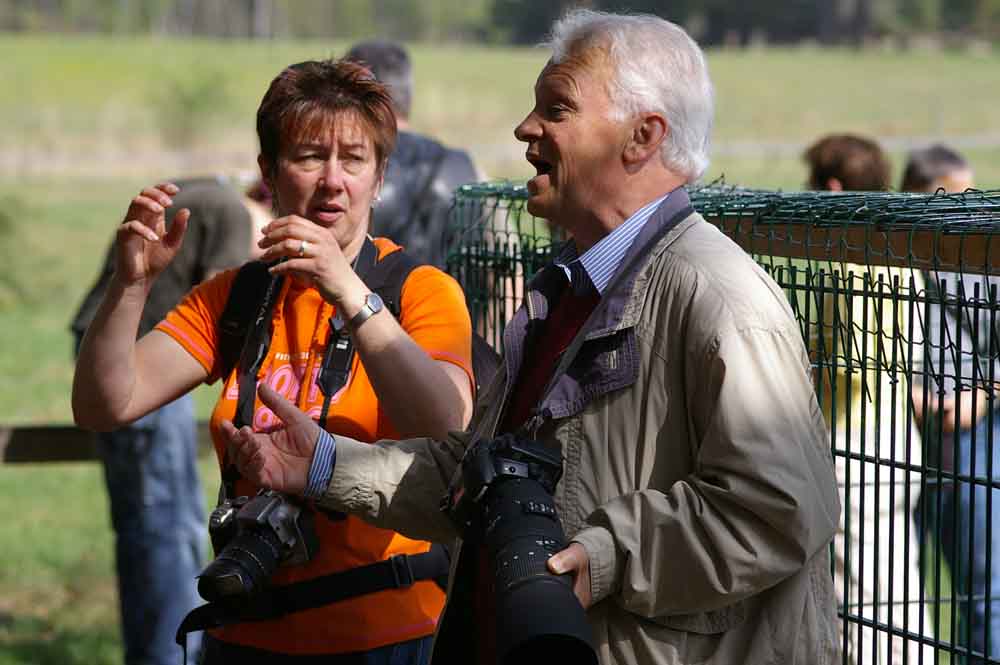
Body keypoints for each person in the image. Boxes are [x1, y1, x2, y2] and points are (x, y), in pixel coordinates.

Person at [225, 10, 842, 665]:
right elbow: (479, 480)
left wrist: (603, 556)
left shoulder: (719, 295)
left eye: (557, 108)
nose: (526, 128)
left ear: (642, 136)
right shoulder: (568, 291)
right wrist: (322, 463)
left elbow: (776, 507)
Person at [72, 60, 475, 664]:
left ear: (379, 176)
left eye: (354, 159)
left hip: (386, 639)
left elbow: (447, 426)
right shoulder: (238, 295)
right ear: (269, 174)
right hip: (243, 635)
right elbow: (105, 404)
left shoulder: (420, 290)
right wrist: (129, 287)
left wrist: (349, 294)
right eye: (310, 156)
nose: (333, 181)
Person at [69, 174, 263, 665]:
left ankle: (152, 651)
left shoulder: (204, 194)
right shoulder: (232, 213)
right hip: (144, 357)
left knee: (143, 523)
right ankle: (173, 656)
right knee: (170, 526)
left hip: (109, 347)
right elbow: (229, 300)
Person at [804, 133, 933, 663]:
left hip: (853, 454)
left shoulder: (844, 262)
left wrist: (804, 361)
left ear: (832, 188)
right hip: (899, 442)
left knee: (861, 600)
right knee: (897, 581)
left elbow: (853, 363)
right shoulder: (901, 256)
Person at [905, 145, 1000, 663]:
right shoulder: (883, 258)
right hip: (898, 436)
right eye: (956, 197)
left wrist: (982, 396)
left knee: (983, 587)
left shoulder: (985, 260)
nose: (971, 210)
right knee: (894, 577)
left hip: (970, 435)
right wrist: (907, 395)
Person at [344, 40, 478, 269]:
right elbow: (504, 273)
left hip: (362, 303)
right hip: (450, 302)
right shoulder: (469, 171)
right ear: (408, 94)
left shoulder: (341, 174)